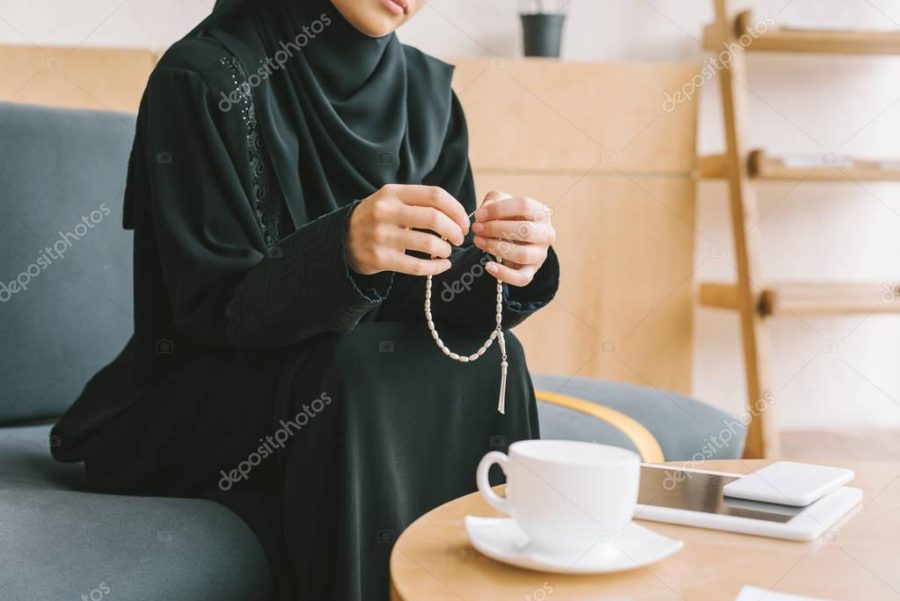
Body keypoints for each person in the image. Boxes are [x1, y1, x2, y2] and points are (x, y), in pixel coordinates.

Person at [51, 0, 560, 598]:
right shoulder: (203, 78)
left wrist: (511, 262)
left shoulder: (429, 95)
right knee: (354, 370)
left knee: (492, 357)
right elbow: (213, 313)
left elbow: (431, 298)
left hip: (342, 390)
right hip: (202, 393)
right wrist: (342, 249)